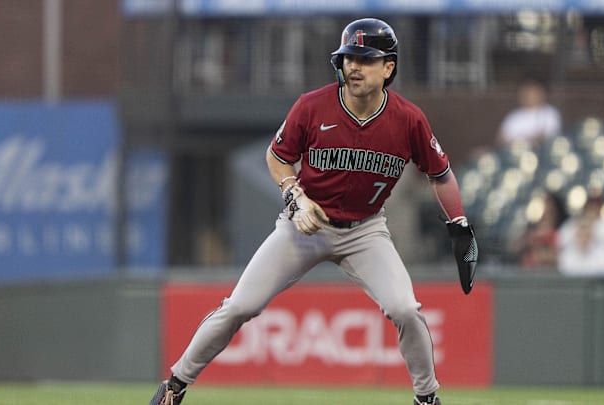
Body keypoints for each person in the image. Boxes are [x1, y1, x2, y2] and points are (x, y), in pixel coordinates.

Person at [149, 18, 478, 405]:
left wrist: (458, 222)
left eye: (365, 58)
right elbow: (277, 156)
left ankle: (427, 398)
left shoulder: (408, 119)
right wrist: (295, 196)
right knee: (240, 305)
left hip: (365, 230)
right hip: (304, 224)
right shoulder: (313, 105)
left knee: (405, 309)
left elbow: (440, 174)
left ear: (389, 67)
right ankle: (175, 384)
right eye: (348, 58)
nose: (353, 66)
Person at [557, 190, 604, 276]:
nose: (593, 209)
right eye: (591, 206)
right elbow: (560, 239)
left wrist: (591, 225)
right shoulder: (567, 256)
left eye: (596, 206)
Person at [510, 191, 568, 270]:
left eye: (550, 208)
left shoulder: (564, 231)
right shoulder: (530, 230)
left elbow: (562, 257)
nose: (546, 211)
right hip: (528, 273)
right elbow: (515, 248)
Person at [497, 76, 562, 146]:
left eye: (533, 93)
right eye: (525, 93)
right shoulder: (514, 116)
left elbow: (550, 137)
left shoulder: (550, 113)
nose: (529, 97)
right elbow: (501, 139)